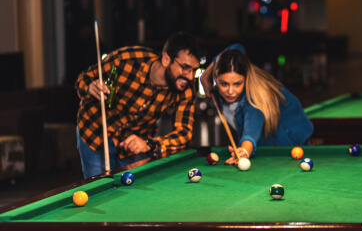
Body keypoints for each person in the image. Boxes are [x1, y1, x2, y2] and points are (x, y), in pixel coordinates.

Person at [76, 32, 203, 178]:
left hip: (136, 141)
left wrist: (150, 144)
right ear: (166, 59)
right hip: (96, 132)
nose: (190, 76)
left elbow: (184, 133)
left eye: (194, 70)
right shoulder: (125, 60)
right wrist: (89, 86)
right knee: (99, 188)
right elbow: (83, 78)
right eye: (185, 67)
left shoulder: (185, 86)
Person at [200, 44, 313, 165]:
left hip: (289, 134)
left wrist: (245, 149)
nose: (230, 91)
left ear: (246, 77)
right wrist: (205, 76)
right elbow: (237, 48)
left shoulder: (253, 99)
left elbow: (251, 129)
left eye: (237, 84)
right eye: (224, 84)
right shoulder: (232, 61)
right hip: (275, 131)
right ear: (216, 78)